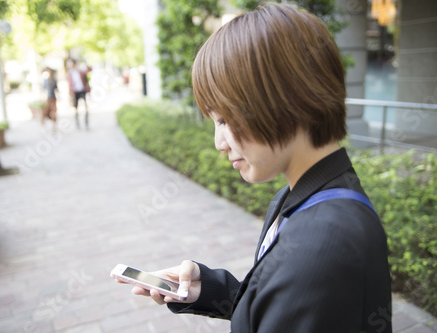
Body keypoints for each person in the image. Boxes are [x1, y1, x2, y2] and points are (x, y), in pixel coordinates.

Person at [127, 3, 392, 332]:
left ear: (286, 98)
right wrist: (209, 290)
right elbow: (285, 301)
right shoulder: (303, 196)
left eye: (224, 119)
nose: (219, 143)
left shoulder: (325, 238)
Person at [67, 59, 91, 129]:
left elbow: (89, 70)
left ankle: (86, 123)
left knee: (86, 108)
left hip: (82, 91)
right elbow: (69, 85)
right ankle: (78, 124)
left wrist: (86, 63)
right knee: (76, 109)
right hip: (75, 93)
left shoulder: (80, 71)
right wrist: (70, 94)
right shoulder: (69, 73)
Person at [42, 67, 58, 132]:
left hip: (52, 98)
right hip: (47, 99)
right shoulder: (45, 80)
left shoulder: (53, 80)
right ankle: (46, 127)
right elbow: (43, 90)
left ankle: (53, 126)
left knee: (53, 112)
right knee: (45, 113)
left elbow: (56, 89)